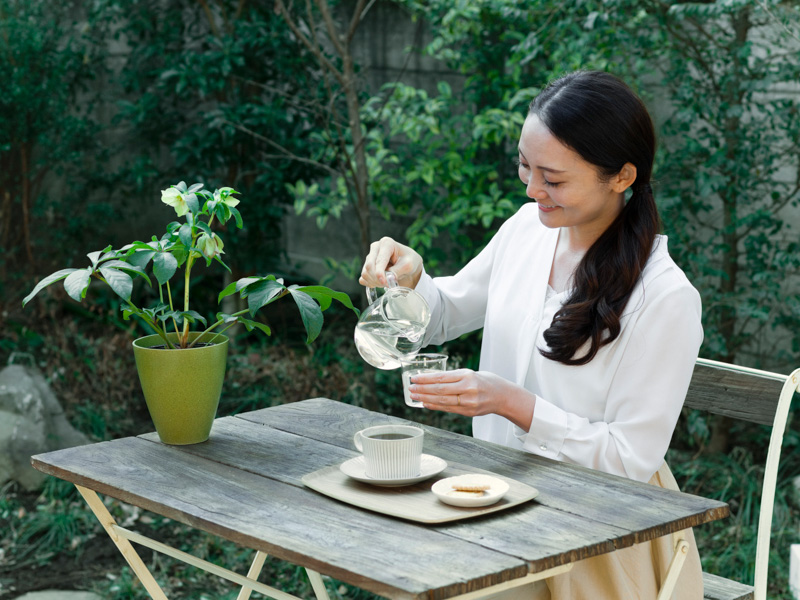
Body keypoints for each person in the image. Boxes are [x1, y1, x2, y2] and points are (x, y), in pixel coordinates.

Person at [359, 70, 704, 599]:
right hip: (490, 502)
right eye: (525, 166)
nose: (531, 188)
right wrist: (409, 280)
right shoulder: (526, 229)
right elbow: (443, 314)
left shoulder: (664, 297)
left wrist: (513, 404)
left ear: (621, 176)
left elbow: (629, 461)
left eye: (554, 178)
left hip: (598, 529)